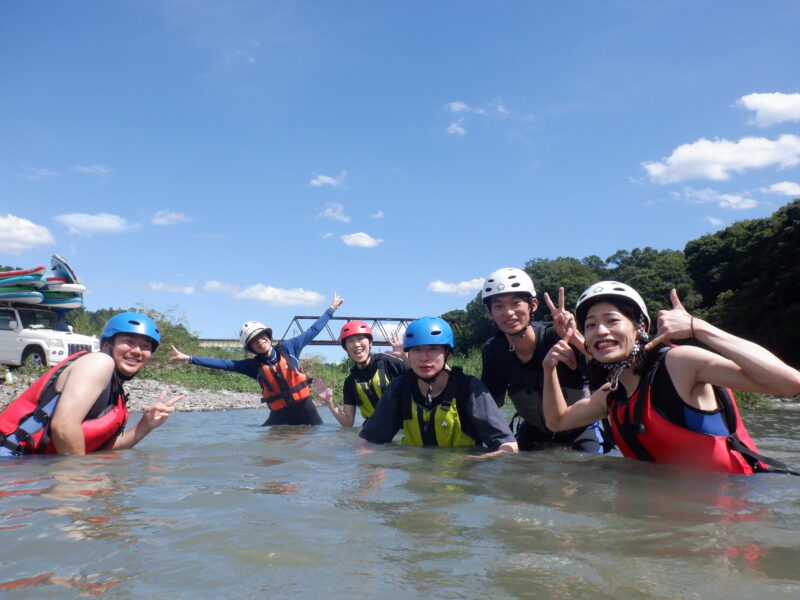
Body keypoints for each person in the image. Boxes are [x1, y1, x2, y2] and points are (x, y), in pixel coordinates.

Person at [542, 281, 800, 474]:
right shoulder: (613, 392)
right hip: (665, 523)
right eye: (590, 325)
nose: (600, 330)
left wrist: (697, 328)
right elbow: (558, 422)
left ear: (641, 328)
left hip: (728, 519)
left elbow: (789, 384)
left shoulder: (680, 363)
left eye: (612, 320)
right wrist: (549, 369)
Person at [0, 312, 184, 457]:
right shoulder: (99, 362)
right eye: (128, 342)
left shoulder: (114, 391)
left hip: (25, 467)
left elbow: (101, 449)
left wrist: (145, 426)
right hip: (8, 458)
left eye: (145, 346)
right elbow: (64, 427)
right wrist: (80, 480)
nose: (137, 351)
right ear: (106, 346)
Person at [479, 267, 610, 453]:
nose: (508, 313)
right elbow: (493, 403)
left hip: (581, 428)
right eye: (498, 306)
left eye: (516, 303)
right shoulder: (493, 351)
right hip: (534, 430)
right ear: (490, 313)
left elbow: (609, 371)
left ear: (533, 305)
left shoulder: (558, 336)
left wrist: (575, 338)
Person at [170, 293, 344, 425]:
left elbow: (313, 331)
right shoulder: (252, 366)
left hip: (306, 410)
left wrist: (332, 309)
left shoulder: (291, 347)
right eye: (254, 340)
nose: (260, 341)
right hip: (279, 416)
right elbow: (223, 364)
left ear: (268, 336)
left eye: (261, 336)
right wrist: (189, 358)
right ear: (251, 348)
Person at [359, 316, 518, 455]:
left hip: (461, 477)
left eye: (433, 349)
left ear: (448, 354)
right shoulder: (399, 388)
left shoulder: (469, 388)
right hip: (416, 480)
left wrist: (476, 460)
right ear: (408, 354)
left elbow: (509, 446)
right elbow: (367, 442)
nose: (424, 357)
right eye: (417, 350)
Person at [316, 321, 409, 427]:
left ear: (370, 343)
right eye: (350, 341)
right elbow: (348, 422)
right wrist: (330, 402)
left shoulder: (389, 362)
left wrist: (405, 358)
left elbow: (421, 380)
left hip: (402, 427)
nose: (356, 344)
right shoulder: (350, 381)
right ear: (346, 348)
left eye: (360, 338)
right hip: (373, 432)